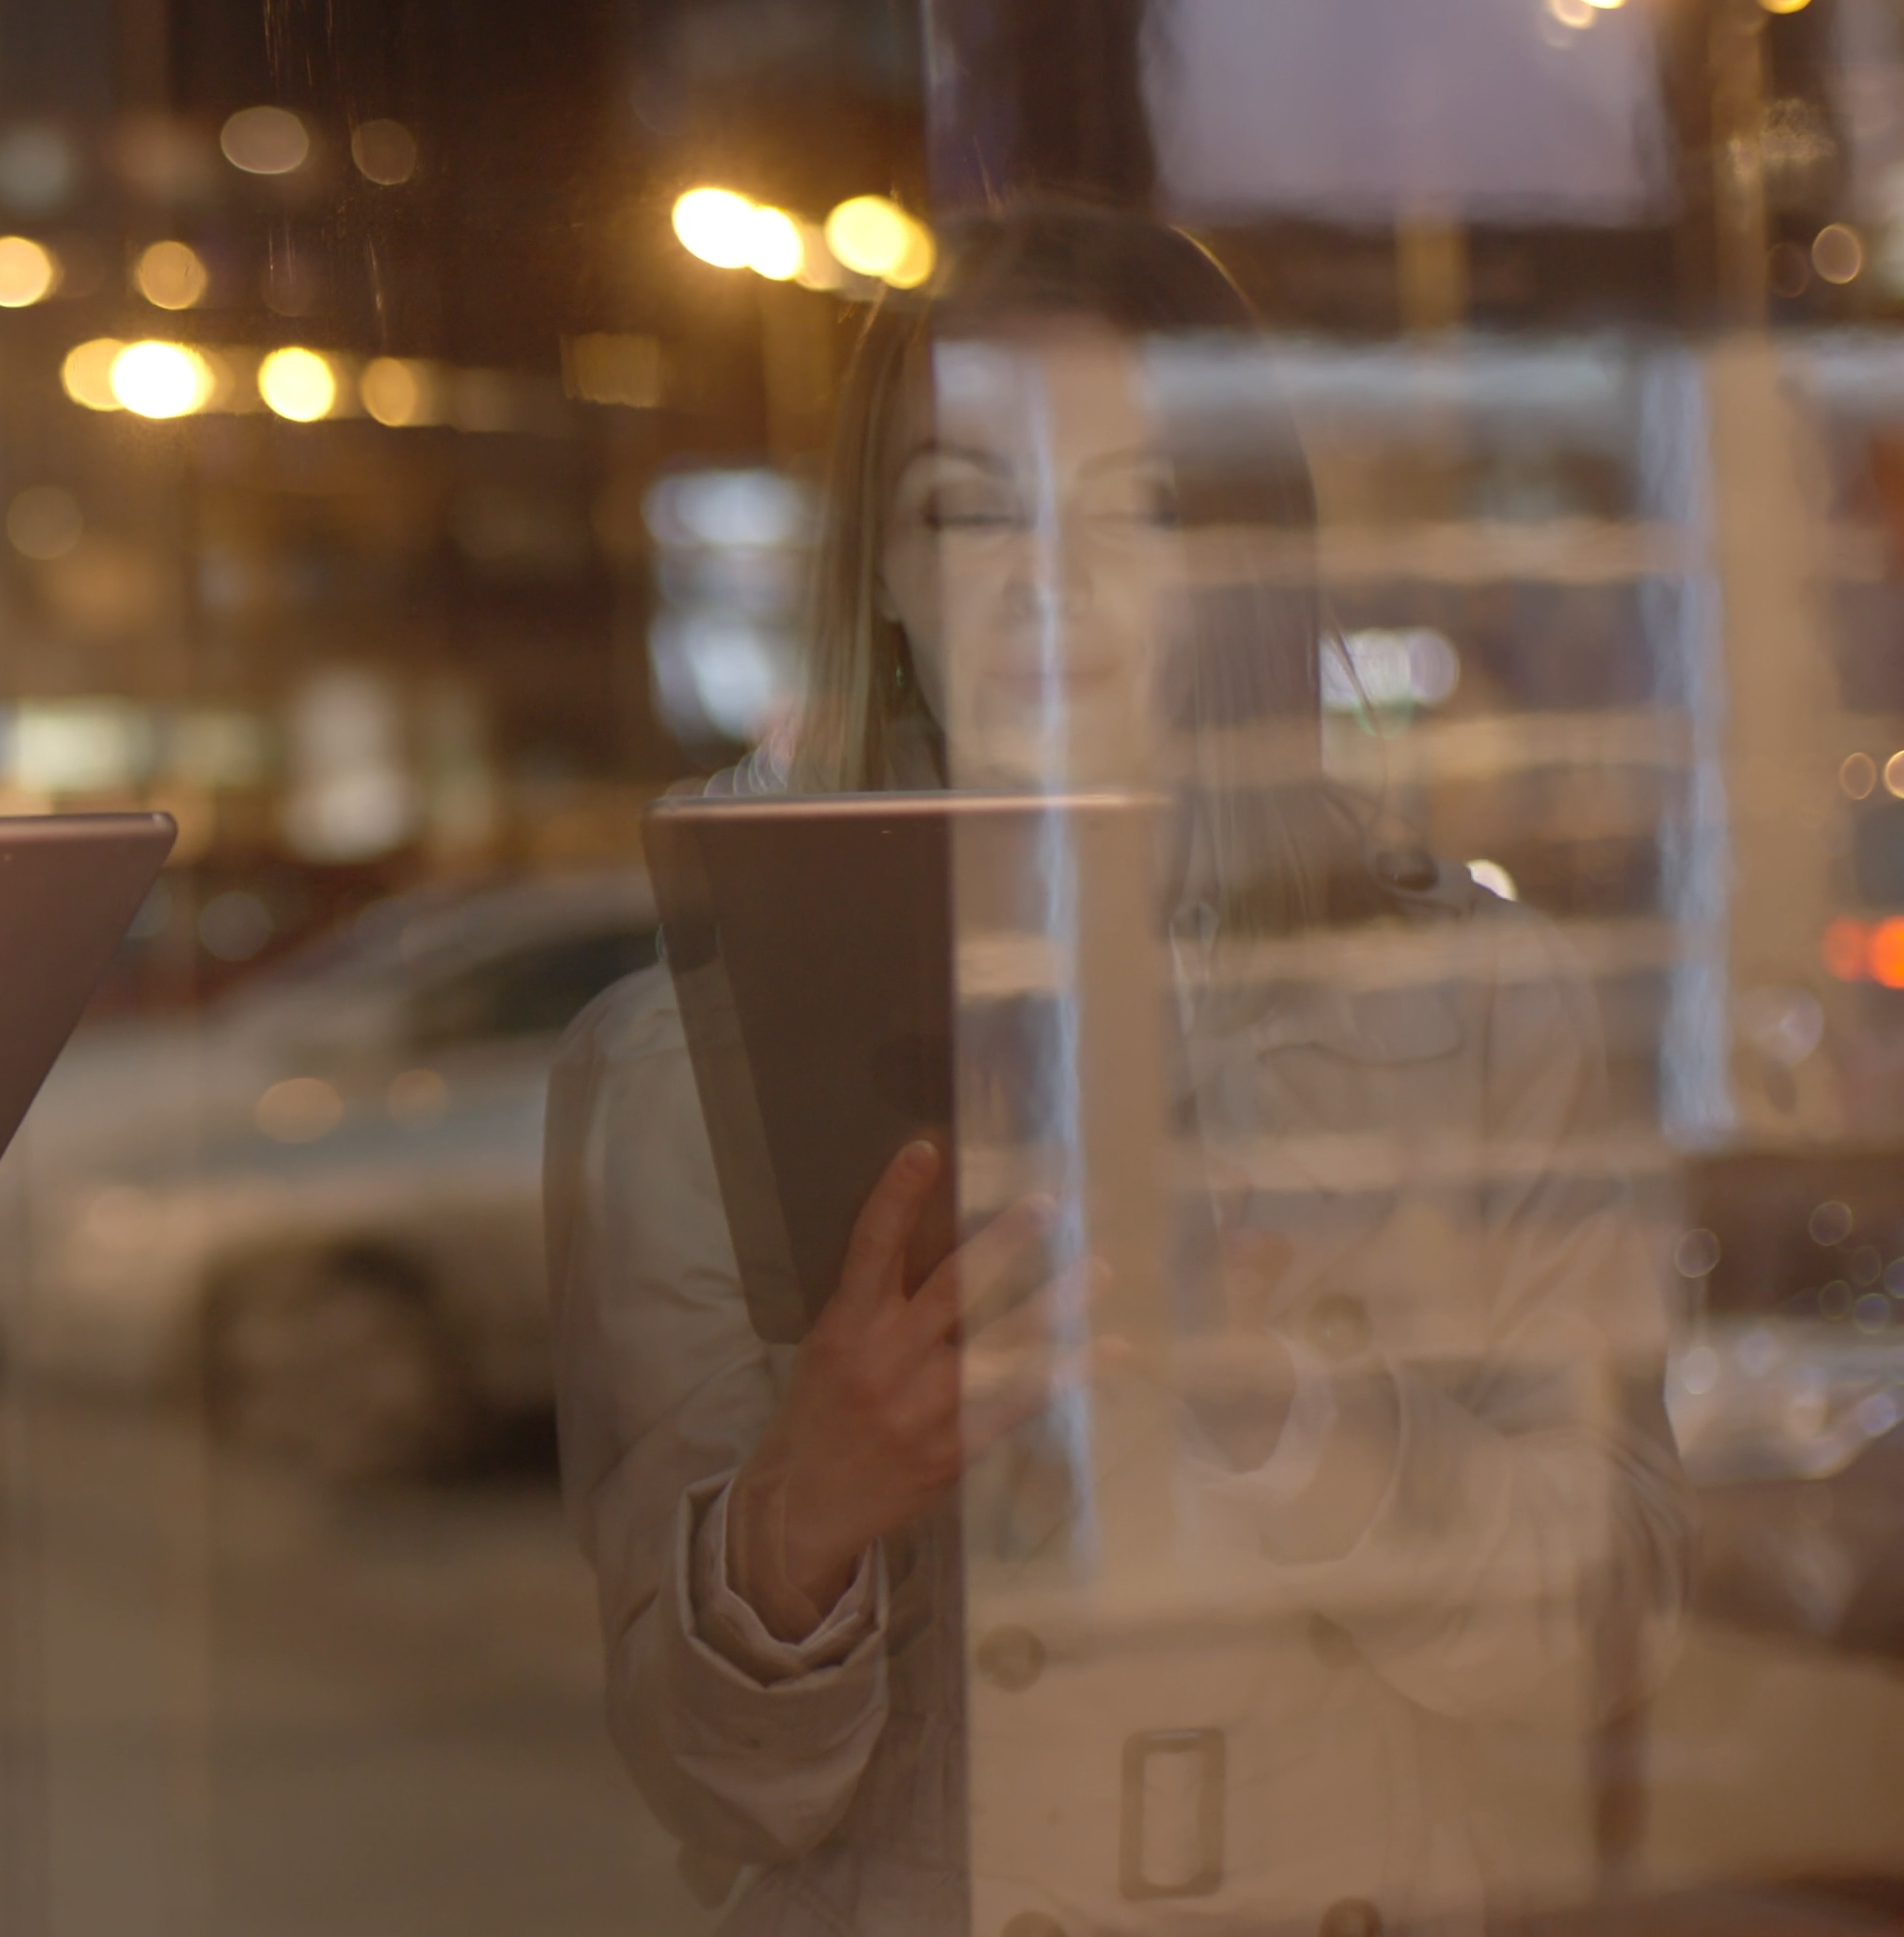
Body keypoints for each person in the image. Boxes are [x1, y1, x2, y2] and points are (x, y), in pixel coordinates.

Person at [545, 205, 1686, 1935]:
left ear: (1242, 556)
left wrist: (1298, 1417)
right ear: (888, 573)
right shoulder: (684, 1064)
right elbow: (708, 1784)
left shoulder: (1476, 1004)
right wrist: (803, 1515)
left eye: (1139, 502)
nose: (1050, 576)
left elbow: (1613, 1640)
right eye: (970, 505)